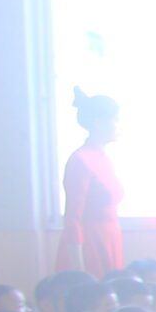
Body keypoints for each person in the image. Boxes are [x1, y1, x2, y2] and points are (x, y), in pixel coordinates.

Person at [53, 93, 123, 281]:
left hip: (109, 238)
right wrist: (78, 267)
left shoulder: (104, 159)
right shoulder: (80, 160)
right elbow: (73, 217)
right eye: (116, 120)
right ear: (99, 123)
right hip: (90, 245)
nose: (119, 125)